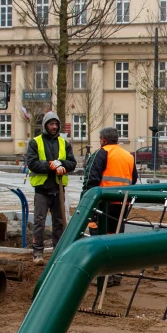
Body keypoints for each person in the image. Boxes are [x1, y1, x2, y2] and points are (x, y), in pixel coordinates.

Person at [84, 125, 137, 285]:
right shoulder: (128, 156)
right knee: (117, 236)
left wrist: (88, 199)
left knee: (99, 235)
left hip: (104, 201)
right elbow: (133, 179)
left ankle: (101, 274)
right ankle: (117, 273)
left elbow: (92, 179)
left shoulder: (102, 153)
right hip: (122, 202)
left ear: (103, 139)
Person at [25, 111, 77, 264]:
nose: (54, 127)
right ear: (45, 125)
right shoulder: (35, 142)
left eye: (56, 124)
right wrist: (50, 165)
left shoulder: (64, 143)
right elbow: (32, 163)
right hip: (42, 188)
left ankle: (58, 251)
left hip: (59, 189)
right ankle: (38, 253)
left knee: (59, 222)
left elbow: (72, 163)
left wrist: (62, 164)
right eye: (51, 124)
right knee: (39, 221)